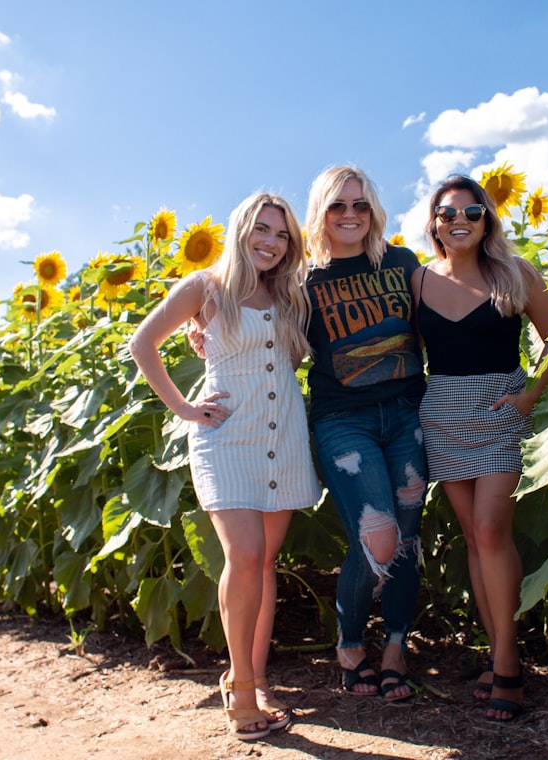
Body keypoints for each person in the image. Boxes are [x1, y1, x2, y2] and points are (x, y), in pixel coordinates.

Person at [128, 192, 322, 741]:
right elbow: (143, 342)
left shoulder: (287, 292)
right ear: (241, 230)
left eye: (281, 234)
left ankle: (255, 679)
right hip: (225, 436)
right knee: (245, 554)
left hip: (283, 437)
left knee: (265, 564)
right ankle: (239, 693)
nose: (270, 241)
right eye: (261, 229)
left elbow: (286, 361)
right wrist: (185, 409)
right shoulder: (205, 287)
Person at [413, 175, 548, 722]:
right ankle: (499, 651)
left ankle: (507, 661)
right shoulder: (417, 281)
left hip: (500, 408)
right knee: (474, 542)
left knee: (490, 532)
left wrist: (529, 396)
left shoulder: (514, 273)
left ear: (487, 219)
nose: (459, 220)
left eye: (471, 211)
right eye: (446, 212)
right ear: (433, 222)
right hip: (443, 412)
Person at [304, 166, 428, 702]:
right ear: (321, 214)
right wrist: (203, 322)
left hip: (405, 413)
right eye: (338, 206)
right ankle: (351, 643)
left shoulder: (400, 262)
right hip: (342, 420)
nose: (351, 215)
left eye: (360, 204)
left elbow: (439, 320)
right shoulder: (302, 279)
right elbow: (250, 304)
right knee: (376, 535)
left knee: (406, 536)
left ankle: (396, 646)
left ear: (374, 210)